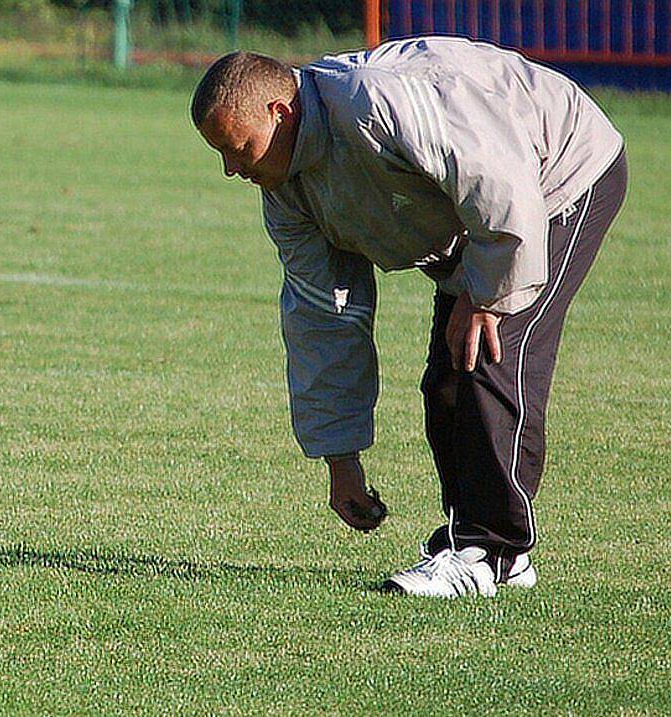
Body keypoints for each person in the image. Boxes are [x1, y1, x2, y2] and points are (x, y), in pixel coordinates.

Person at [190, 36, 627, 598]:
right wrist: (340, 458)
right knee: (446, 380)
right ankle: (478, 546)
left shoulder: (379, 103)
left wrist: (485, 296)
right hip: (484, 217)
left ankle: (488, 551)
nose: (231, 169)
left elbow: (498, 179)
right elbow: (324, 319)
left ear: (280, 112)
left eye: (239, 148)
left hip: (557, 175)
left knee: (488, 356)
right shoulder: (286, 191)